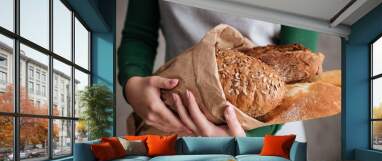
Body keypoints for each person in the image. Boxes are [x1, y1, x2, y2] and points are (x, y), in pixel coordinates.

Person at [118, 0, 318, 137]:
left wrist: (252, 133)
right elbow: (139, 37)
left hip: (270, 131)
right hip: (179, 120)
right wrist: (133, 84)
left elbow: (301, 66)